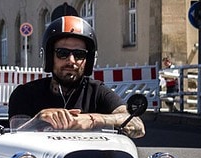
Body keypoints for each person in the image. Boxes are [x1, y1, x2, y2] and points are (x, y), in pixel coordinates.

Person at [8, 14, 145, 138]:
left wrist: (92, 120)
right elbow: (14, 135)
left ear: (89, 60)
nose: (71, 61)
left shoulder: (97, 92)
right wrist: (38, 120)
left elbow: (137, 125)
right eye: (62, 53)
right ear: (49, 57)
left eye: (79, 54)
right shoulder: (25, 94)